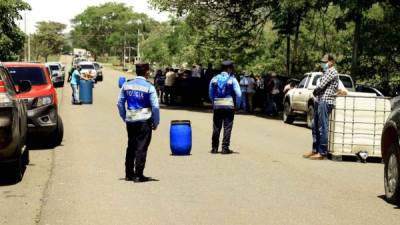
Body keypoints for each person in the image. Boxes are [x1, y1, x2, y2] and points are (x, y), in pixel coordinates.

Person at [117, 63, 160, 182]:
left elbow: (120, 103)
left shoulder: (126, 85)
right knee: (141, 147)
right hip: (144, 121)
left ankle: (128, 173)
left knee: (131, 146)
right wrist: (156, 122)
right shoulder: (149, 87)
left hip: (130, 120)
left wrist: (124, 116)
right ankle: (138, 175)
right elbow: (155, 107)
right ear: (146, 72)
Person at [303, 54, 339, 160]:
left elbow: (321, 86)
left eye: (325, 62)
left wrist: (314, 91)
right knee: (315, 125)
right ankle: (315, 149)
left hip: (325, 101)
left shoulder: (331, 71)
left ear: (331, 62)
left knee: (323, 127)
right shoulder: (327, 72)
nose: (323, 64)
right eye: (322, 62)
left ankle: (322, 152)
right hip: (320, 101)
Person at [209, 60, 241, 154]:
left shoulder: (214, 79)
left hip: (217, 106)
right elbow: (239, 94)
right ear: (229, 69)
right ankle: (224, 148)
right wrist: (237, 105)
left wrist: (214, 102)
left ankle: (214, 148)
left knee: (216, 126)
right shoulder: (232, 79)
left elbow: (210, 93)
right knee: (227, 127)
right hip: (229, 106)